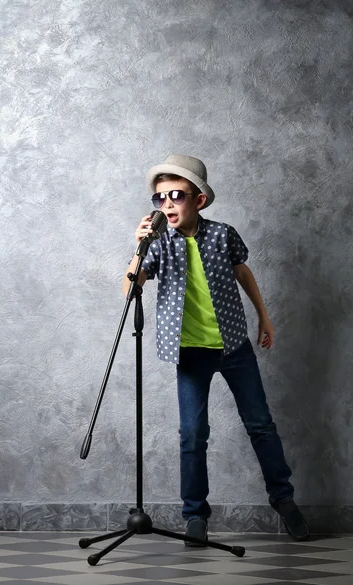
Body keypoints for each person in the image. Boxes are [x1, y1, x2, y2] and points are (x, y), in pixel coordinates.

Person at [123, 154, 309, 543]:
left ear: (199, 200)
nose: (167, 204)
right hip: (189, 353)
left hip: (234, 345)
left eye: (176, 195)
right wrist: (137, 249)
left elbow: (243, 270)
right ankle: (195, 515)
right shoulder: (159, 245)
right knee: (192, 434)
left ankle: (284, 499)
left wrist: (264, 317)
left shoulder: (223, 234)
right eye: (159, 199)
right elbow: (130, 289)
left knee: (260, 424)